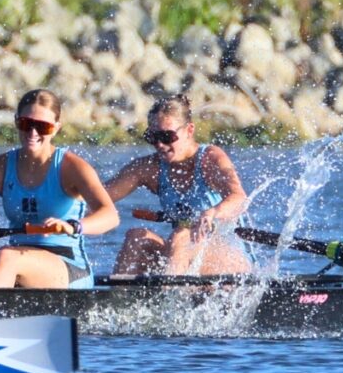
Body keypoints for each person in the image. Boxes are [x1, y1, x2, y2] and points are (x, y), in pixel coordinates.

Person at [0, 89, 119, 288]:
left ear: (56, 128)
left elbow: (110, 216)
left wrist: (72, 226)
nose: (33, 133)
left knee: (7, 256)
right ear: (16, 122)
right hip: (14, 259)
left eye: (42, 127)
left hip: (68, 267)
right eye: (26, 124)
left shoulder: (71, 167)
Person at [106, 95, 251, 275]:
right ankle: (117, 300)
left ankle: (171, 300)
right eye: (153, 137)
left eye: (167, 136)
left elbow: (240, 198)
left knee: (182, 235)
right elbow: (97, 196)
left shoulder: (210, 159)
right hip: (181, 256)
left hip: (228, 261)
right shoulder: (150, 168)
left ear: (189, 130)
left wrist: (212, 213)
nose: (160, 144)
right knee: (136, 237)